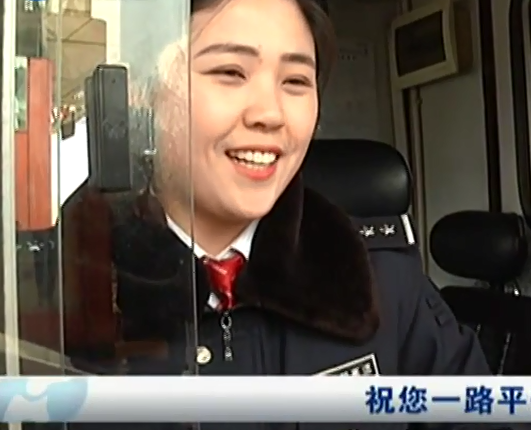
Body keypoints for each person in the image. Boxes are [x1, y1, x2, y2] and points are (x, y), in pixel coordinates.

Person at [101, 0, 504, 428]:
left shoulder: (379, 279)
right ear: (144, 92)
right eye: (230, 73)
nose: (270, 114)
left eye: (295, 81)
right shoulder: (70, 292)